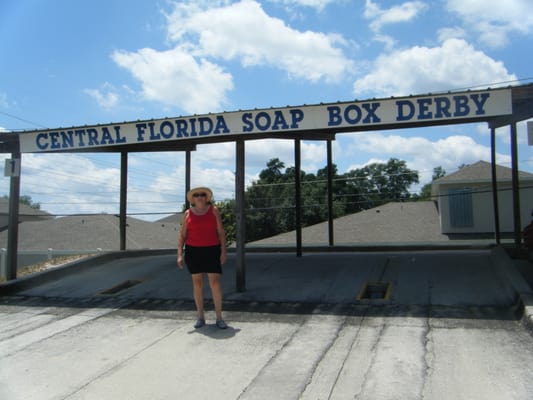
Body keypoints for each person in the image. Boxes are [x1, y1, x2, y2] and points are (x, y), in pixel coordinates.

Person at [177, 187, 228, 329]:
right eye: (197, 195)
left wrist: (223, 251)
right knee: (197, 283)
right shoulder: (187, 214)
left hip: (212, 250)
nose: (200, 197)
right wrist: (179, 254)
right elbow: (182, 235)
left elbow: (221, 232)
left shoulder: (214, 211)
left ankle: (219, 318)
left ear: (207, 198)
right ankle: (200, 317)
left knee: (215, 283)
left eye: (202, 195)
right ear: (193, 199)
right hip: (193, 251)